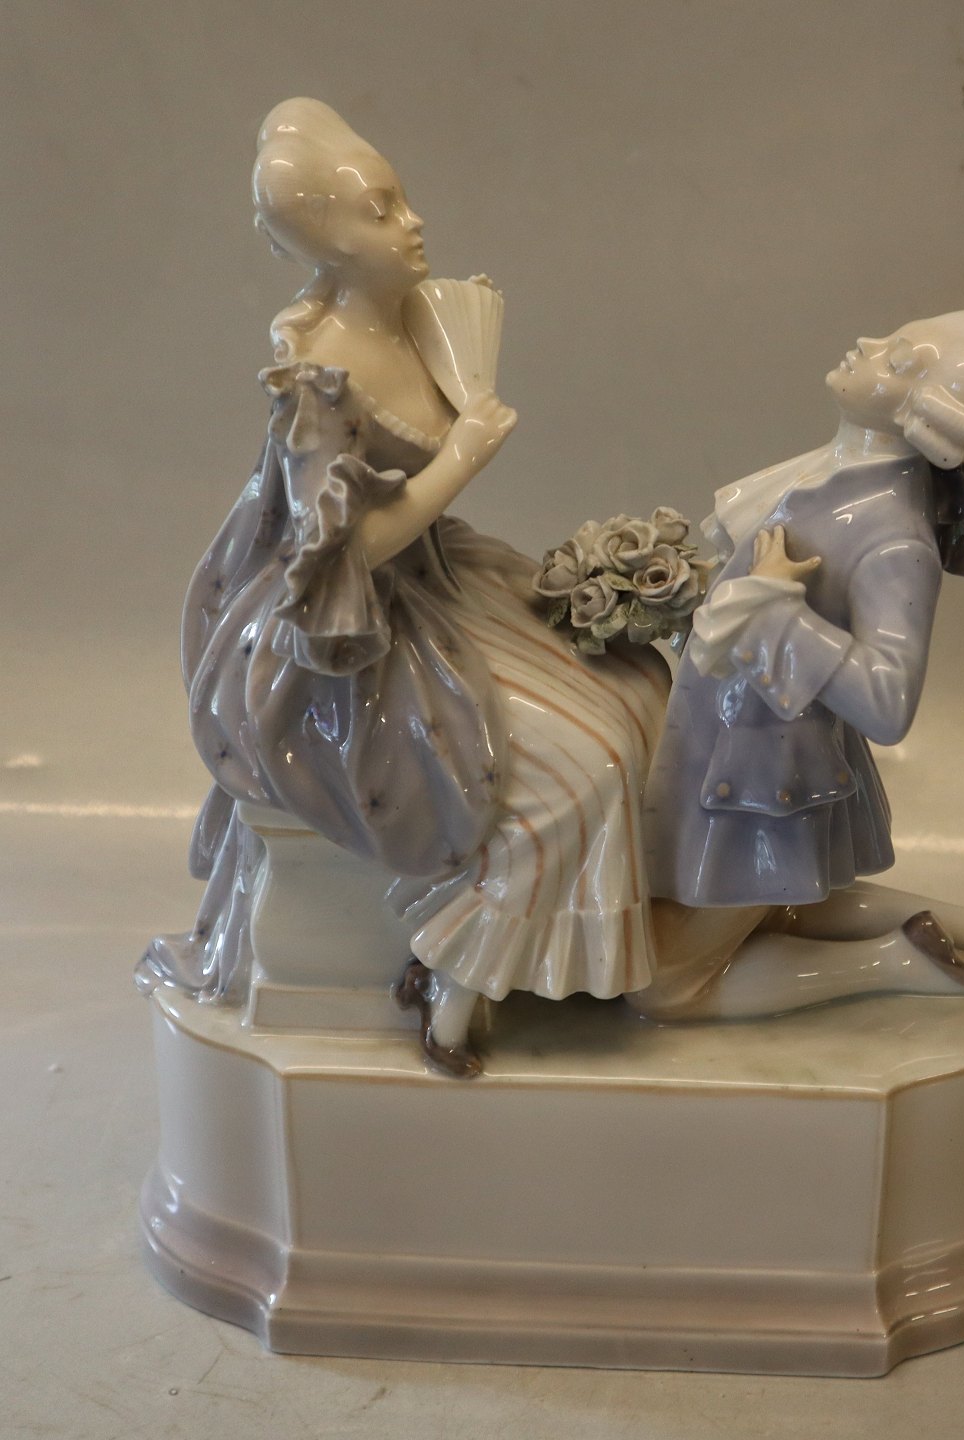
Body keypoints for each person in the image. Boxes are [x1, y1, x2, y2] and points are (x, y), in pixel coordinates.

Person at [139, 99, 671, 1074]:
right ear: (327, 243)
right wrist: (462, 456)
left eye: (401, 197)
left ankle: (617, 924)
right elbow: (346, 551)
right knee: (584, 763)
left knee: (638, 679)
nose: (413, 221)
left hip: (442, 577)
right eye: (380, 211)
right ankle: (456, 970)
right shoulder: (321, 378)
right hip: (353, 632)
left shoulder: (415, 319)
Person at [635, 311, 964, 1025]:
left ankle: (899, 962)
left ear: (920, 413)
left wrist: (774, 613)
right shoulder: (825, 475)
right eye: (890, 337)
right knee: (770, 907)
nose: (867, 345)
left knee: (662, 986)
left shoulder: (893, 539)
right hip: (717, 733)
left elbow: (886, 700)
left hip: (762, 769)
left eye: (897, 361)